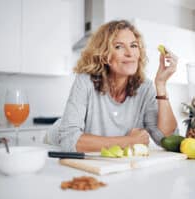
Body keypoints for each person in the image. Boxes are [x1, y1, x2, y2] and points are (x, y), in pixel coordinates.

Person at [48, 20, 178, 152]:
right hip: (52, 142)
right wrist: (129, 141)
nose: (130, 53)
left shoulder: (145, 87)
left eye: (133, 45)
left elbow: (167, 139)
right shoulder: (85, 81)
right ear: (104, 55)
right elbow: (68, 140)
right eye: (119, 47)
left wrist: (161, 84)